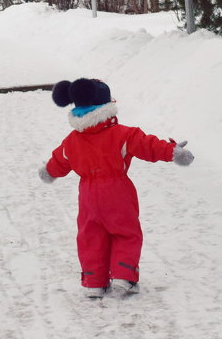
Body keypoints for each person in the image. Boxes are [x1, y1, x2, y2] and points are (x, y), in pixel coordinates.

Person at [37, 77, 194, 297]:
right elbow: (148, 145)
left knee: (91, 236)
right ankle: (124, 276)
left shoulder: (71, 141)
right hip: (117, 191)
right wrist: (172, 152)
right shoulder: (123, 134)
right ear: (107, 106)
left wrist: (48, 172)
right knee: (125, 233)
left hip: (89, 196)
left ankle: (94, 281)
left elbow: (58, 162)